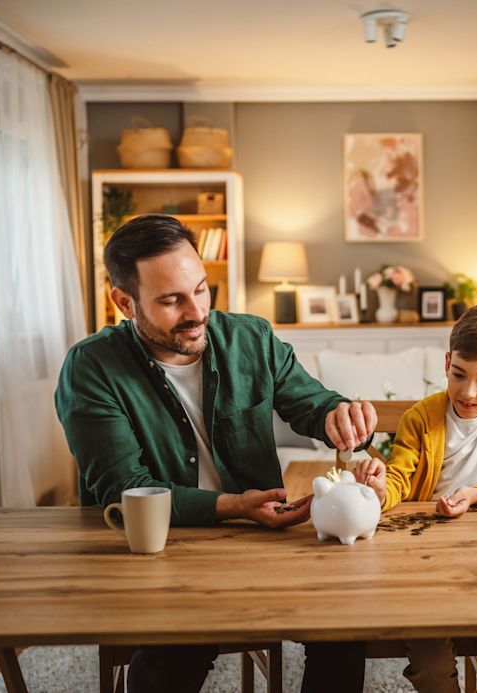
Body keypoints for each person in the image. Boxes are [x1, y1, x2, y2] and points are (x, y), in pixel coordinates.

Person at [55, 214, 373, 693]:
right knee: (179, 648)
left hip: (263, 543)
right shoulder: (92, 367)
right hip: (166, 549)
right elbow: (125, 491)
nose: (197, 310)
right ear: (125, 301)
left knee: (343, 627)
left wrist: (338, 415)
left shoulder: (252, 338)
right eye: (171, 300)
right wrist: (234, 507)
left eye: (201, 290)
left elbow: (312, 404)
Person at [355, 302, 477, 693]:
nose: (468, 391)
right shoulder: (421, 418)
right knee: (431, 666)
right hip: (425, 560)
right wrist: (379, 488)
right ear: (446, 364)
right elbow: (401, 482)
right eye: (459, 375)